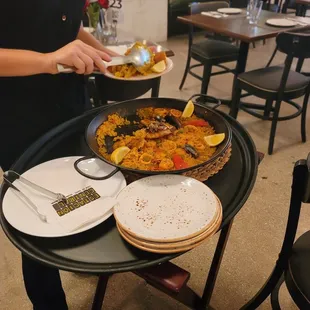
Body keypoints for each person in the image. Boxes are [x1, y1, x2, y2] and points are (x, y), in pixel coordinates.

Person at [0, 1, 117, 309]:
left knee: (84, 188)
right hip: (20, 116)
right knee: (37, 221)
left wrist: (107, 55)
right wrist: (48, 60)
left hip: (72, 104)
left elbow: (67, 25)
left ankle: (81, 254)